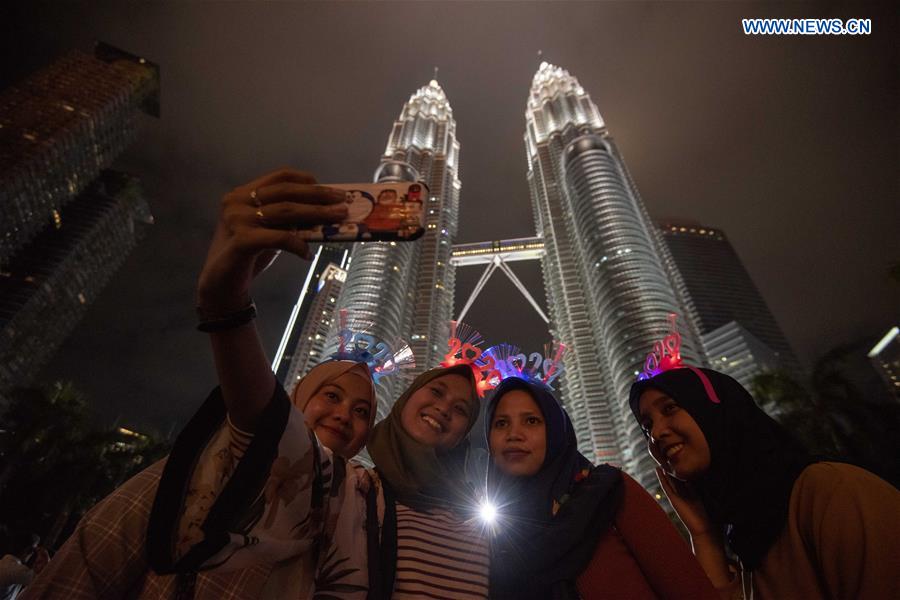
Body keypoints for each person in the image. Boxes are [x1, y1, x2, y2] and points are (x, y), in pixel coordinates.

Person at [21, 359, 376, 599]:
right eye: (331, 396)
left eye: (362, 412)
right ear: (298, 400)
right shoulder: (222, 461)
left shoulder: (355, 520)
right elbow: (97, 554)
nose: (344, 415)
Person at [630, 366, 900, 599]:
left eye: (670, 408)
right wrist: (703, 535)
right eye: (646, 426)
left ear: (716, 412)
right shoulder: (750, 536)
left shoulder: (829, 492)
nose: (656, 432)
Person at [486, 376, 718, 599]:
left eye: (531, 420)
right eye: (501, 423)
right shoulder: (484, 538)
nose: (513, 434)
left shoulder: (608, 492)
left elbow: (691, 590)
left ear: (556, 432)